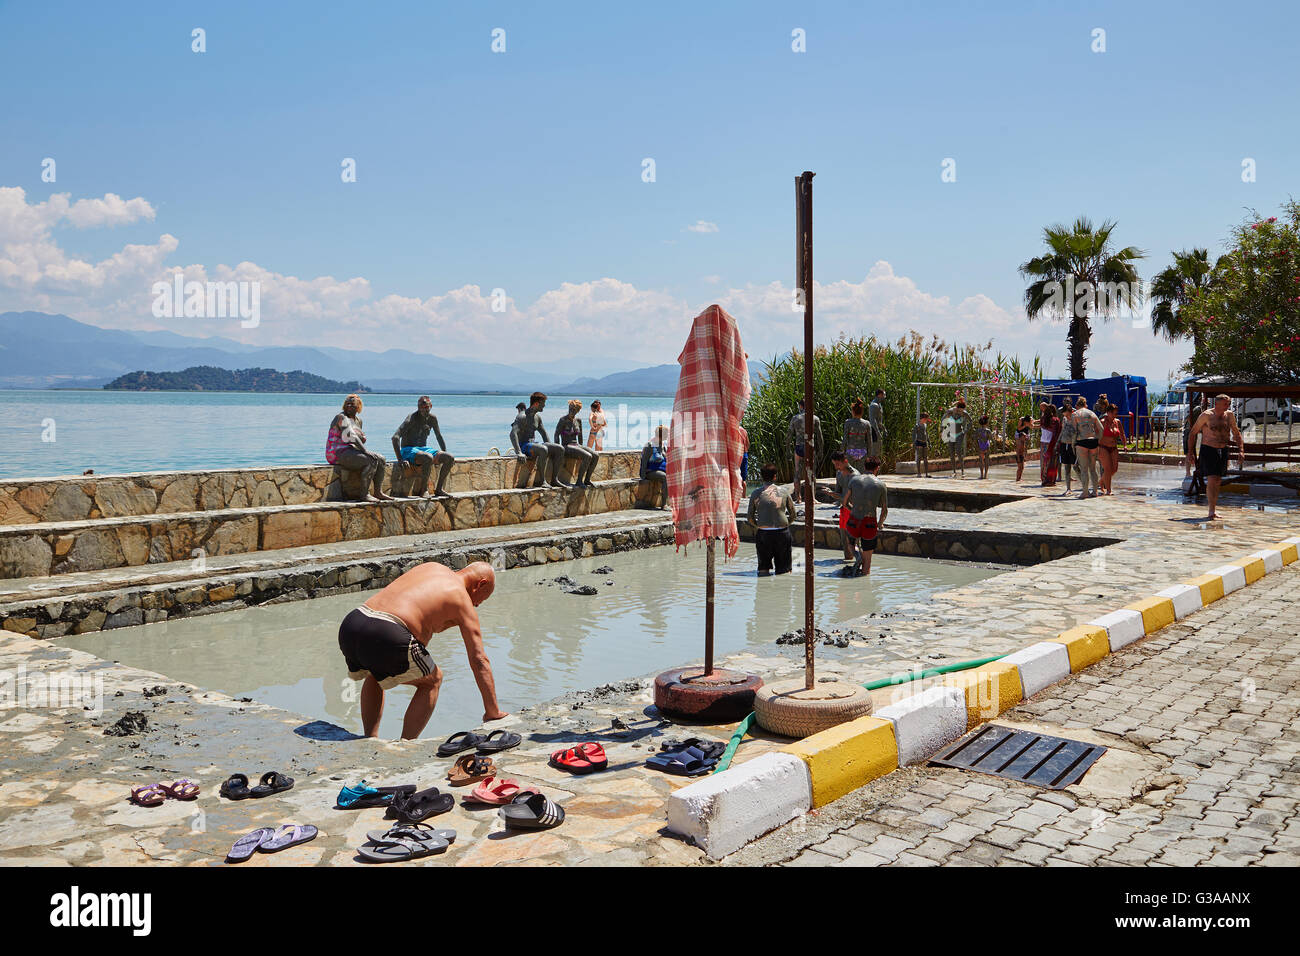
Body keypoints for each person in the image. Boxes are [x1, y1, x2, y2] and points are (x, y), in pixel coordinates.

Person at [337, 561, 507, 740]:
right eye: (482, 598)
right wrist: (492, 711)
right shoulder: (462, 598)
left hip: (353, 623)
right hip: (387, 632)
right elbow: (479, 659)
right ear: (480, 584)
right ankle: (406, 745)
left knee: (376, 670)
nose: (478, 605)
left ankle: (370, 739)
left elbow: (412, 609)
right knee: (433, 680)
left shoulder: (433, 567)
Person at [1186, 394, 1244, 520]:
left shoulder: (1229, 415)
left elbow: (1236, 433)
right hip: (1208, 449)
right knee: (1212, 478)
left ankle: (1213, 509)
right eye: (1225, 403)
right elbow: (1193, 433)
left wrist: (1241, 450)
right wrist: (1190, 452)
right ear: (1217, 403)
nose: (1227, 406)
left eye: (1228, 403)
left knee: (1217, 480)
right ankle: (1211, 511)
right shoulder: (1206, 415)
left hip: (1222, 450)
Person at [327, 394, 393, 502]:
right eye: (347, 404)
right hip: (336, 453)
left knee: (381, 459)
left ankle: (378, 492)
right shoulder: (341, 417)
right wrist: (365, 451)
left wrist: (362, 446)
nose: (348, 406)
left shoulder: (358, 421)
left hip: (350, 450)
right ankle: (364, 495)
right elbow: (351, 436)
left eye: (352, 404)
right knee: (371, 460)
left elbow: (357, 439)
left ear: (358, 407)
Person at [391, 395, 455, 497]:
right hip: (408, 450)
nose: (423, 409)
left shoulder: (432, 419)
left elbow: (438, 436)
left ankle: (439, 489)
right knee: (428, 457)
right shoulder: (411, 418)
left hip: (424, 449)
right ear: (418, 407)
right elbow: (395, 437)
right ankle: (423, 489)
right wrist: (400, 459)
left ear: (431, 406)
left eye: (426, 407)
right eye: (421, 407)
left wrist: (445, 451)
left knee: (449, 458)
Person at [839, 456, 888, 576]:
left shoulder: (854, 480)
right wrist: (879, 524)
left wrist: (852, 510)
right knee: (868, 563)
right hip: (870, 523)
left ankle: (857, 555)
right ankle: (865, 583)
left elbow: (844, 503)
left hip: (854, 520)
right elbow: (884, 510)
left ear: (864, 467)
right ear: (877, 468)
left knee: (850, 543)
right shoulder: (881, 485)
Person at [747, 463, 797, 575]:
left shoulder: (755, 493)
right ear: (775, 476)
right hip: (782, 533)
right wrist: (786, 524)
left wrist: (759, 526)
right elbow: (793, 514)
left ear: (761, 476)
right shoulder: (784, 492)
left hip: (763, 534)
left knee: (763, 570)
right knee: (784, 571)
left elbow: (750, 517)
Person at [510, 392, 569, 488]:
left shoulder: (537, 418)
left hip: (533, 444)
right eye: (543, 403)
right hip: (524, 446)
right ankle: (542, 481)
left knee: (560, 449)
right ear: (536, 404)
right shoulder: (522, 417)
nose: (544, 406)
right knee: (543, 449)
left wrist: (552, 447)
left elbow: (544, 434)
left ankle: (554, 479)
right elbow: (513, 434)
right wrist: (519, 452)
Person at [555, 399, 599, 487]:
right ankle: (579, 481)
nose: (571, 411)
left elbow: (580, 436)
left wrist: (583, 448)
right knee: (587, 456)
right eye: (570, 408)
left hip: (576, 445)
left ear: (578, 411)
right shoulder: (563, 420)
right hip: (567, 446)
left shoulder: (578, 421)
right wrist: (559, 450)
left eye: (574, 409)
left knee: (595, 455)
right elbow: (556, 435)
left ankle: (587, 479)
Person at [787, 400, 824, 504]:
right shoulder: (815, 418)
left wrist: (788, 450)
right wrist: (821, 450)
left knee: (797, 472)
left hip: (798, 446)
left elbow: (789, 435)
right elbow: (820, 437)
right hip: (810, 447)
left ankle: (798, 498)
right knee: (812, 473)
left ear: (801, 406)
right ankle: (812, 498)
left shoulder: (795, 418)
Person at [823, 450, 858, 560]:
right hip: (844, 509)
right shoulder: (839, 474)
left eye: (837, 464)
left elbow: (853, 498)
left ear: (845, 461)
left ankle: (858, 564)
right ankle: (848, 562)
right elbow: (839, 493)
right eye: (834, 464)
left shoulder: (855, 476)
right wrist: (831, 493)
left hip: (854, 510)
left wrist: (835, 495)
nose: (836, 467)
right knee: (844, 541)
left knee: (853, 541)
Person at [1072, 397, 1102, 499]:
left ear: (1077, 405)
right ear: (1085, 404)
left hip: (1082, 441)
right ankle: (1095, 491)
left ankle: (1085, 492)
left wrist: (1073, 444)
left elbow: (1074, 431)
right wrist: (1098, 441)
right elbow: (1101, 428)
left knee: (1084, 469)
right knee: (1093, 468)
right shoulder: (1091, 413)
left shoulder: (1075, 414)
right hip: (1093, 441)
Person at [1099, 404, 1126, 495]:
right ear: (1108, 413)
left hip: (1113, 447)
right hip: (1103, 447)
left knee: (1114, 469)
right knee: (1107, 469)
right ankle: (1109, 490)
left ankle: (1101, 481)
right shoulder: (1102, 422)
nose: (1115, 415)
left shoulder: (1117, 422)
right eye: (1114, 413)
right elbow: (1096, 434)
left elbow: (1122, 434)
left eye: (1116, 413)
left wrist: (1125, 445)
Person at [640, 424, 669, 509]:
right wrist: (643, 476)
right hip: (650, 471)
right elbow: (644, 461)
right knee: (665, 477)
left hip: (661, 469)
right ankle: (664, 504)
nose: (668, 435)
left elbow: (666, 458)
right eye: (666, 433)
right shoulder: (650, 445)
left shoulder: (663, 445)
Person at [942, 400, 970, 477]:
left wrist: (966, 430)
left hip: (959, 434)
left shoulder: (964, 413)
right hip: (950, 434)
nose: (962, 411)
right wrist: (943, 429)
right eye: (961, 409)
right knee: (951, 453)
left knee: (958, 452)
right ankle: (954, 471)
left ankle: (962, 471)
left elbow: (971, 421)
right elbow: (943, 419)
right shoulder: (950, 412)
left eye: (963, 409)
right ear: (958, 407)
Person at [842, 398, 872, 472]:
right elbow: (869, 441)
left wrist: (842, 452)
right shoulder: (867, 423)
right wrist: (869, 455)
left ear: (853, 411)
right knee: (861, 474)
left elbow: (845, 439)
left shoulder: (848, 422)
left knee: (849, 473)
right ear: (862, 411)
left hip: (850, 451)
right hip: (862, 452)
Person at [1057, 403, 1079, 494]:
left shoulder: (1075, 419)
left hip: (1072, 445)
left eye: (1064, 412)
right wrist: (1058, 441)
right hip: (1064, 443)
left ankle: (1084, 486)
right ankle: (1068, 488)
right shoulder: (1065, 419)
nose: (1063, 414)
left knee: (1076, 467)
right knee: (1066, 467)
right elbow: (1062, 430)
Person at [1037, 405, 1059, 486]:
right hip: (1052, 443)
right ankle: (1051, 480)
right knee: (1052, 462)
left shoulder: (1043, 419)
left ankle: (1044, 479)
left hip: (1043, 443)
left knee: (1043, 462)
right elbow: (1057, 433)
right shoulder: (1056, 420)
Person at [1183, 396, 1202, 479]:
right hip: (1189, 431)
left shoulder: (1198, 408)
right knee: (1189, 452)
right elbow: (1189, 419)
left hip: (1190, 430)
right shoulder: (1198, 408)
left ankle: (1189, 472)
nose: (1208, 400)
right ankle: (1188, 472)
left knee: (1190, 452)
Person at [868, 389, 888, 460]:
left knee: (878, 452)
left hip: (878, 429)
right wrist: (877, 432)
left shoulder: (879, 405)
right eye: (884, 394)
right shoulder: (873, 405)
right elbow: (873, 420)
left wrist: (883, 428)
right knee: (874, 451)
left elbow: (879, 421)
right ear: (879, 395)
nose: (885, 396)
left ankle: (876, 469)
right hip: (874, 430)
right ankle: (872, 468)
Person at [913, 412, 931, 477]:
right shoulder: (917, 425)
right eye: (925, 419)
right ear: (922, 418)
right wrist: (914, 443)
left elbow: (927, 434)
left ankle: (926, 473)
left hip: (925, 442)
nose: (926, 420)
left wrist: (929, 442)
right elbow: (914, 435)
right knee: (919, 458)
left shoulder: (925, 425)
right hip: (919, 442)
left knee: (925, 458)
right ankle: (918, 473)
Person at [1014, 415, 1031, 482]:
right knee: (1019, 468)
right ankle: (1017, 479)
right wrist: (1018, 457)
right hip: (1019, 456)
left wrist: (1024, 457)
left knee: (1022, 468)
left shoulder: (1023, 442)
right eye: (1024, 437)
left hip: (1021, 456)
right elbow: (1018, 450)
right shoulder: (1020, 443)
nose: (1025, 438)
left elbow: (1024, 449)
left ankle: (1019, 478)